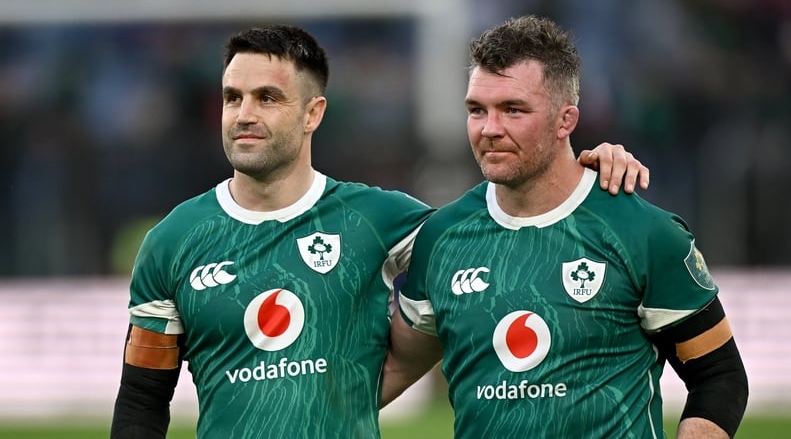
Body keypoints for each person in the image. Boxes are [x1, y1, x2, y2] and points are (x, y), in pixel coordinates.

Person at [110, 24, 648, 439]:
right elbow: (141, 400)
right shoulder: (173, 242)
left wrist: (584, 168)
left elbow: (509, 224)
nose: (244, 113)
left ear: (312, 113)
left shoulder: (380, 219)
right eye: (233, 97)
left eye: (268, 98)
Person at [382, 15, 748, 439]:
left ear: (565, 121)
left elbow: (720, 376)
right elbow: (394, 367)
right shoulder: (442, 236)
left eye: (513, 110)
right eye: (477, 110)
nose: (490, 129)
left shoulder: (643, 233)